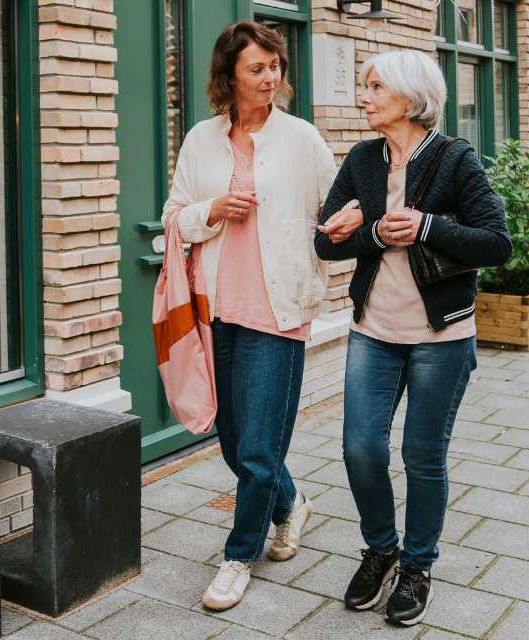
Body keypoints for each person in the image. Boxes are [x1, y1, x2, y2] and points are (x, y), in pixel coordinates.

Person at [315, 50, 511, 627]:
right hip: (373, 331)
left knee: (423, 456)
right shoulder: (362, 160)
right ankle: (381, 550)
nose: (364, 97)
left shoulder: (455, 159)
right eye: (365, 86)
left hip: (440, 336)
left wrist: (427, 226)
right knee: (360, 449)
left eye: (376, 87)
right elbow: (326, 242)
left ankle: (418, 566)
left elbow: (496, 242)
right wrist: (374, 231)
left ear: (411, 96)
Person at [161, 21, 336, 611]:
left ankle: (238, 557)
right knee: (235, 443)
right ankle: (291, 504)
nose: (269, 77)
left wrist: (352, 223)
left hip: (278, 311)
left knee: (259, 447)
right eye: (256, 68)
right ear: (229, 77)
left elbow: (337, 206)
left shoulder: (302, 139)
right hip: (217, 310)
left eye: (274, 66)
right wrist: (210, 210)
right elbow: (174, 217)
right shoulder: (201, 140)